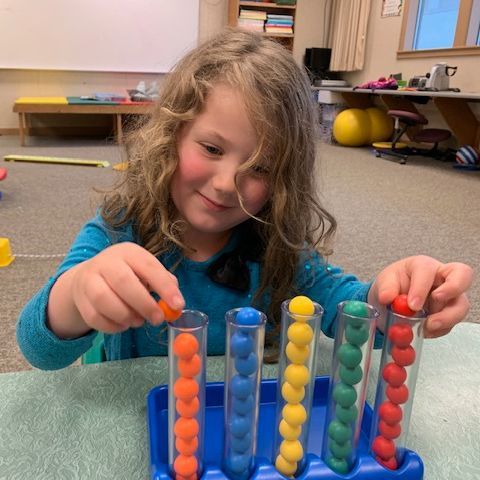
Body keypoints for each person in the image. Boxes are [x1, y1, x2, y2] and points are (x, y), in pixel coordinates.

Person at [16, 29, 472, 371]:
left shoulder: (278, 246)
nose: (225, 184)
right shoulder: (121, 226)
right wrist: (76, 294)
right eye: (211, 149)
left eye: (260, 168)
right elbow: (38, 348)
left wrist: (394, 297)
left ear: (284, 179)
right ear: (172, 134)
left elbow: (348, 310)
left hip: (238, 430)